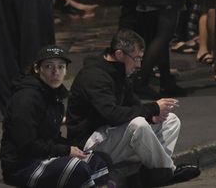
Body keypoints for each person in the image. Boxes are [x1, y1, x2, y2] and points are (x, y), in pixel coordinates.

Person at [66, 29, 200, 187]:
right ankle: (166, 171)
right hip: (89, 144)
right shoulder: (94, 76)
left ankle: (153, 172)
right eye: (136, 58)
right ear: (119, 54)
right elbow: (112, 114)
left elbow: (133, 104)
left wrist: (153, 115)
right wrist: (152, 108)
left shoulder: (119, 71)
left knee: (171, 120)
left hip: (111, 135)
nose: (139, 64)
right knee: (139, 124)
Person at [0, 45, 112, 188]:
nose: (56, 72)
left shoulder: (54, 96)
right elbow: (26, 144)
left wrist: (73, 148)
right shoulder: (26, 98)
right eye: (49, 66)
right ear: (37, 69)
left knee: (98, 160)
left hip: (43, 157)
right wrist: (65, 151)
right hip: (21, 166)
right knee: (77, 168)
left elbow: (52, 137)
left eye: (61, 67)